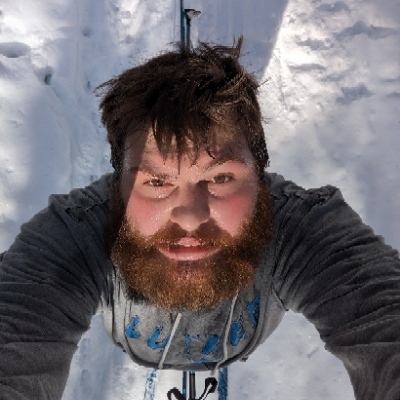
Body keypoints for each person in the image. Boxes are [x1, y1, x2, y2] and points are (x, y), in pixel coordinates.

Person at [1, 37, 400, 400]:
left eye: (220, 178)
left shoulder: (302, 229)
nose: (191, 217)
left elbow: (383, 316)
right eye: (156, 182)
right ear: (117, 184)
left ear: (260, 174)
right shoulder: (75, 235)